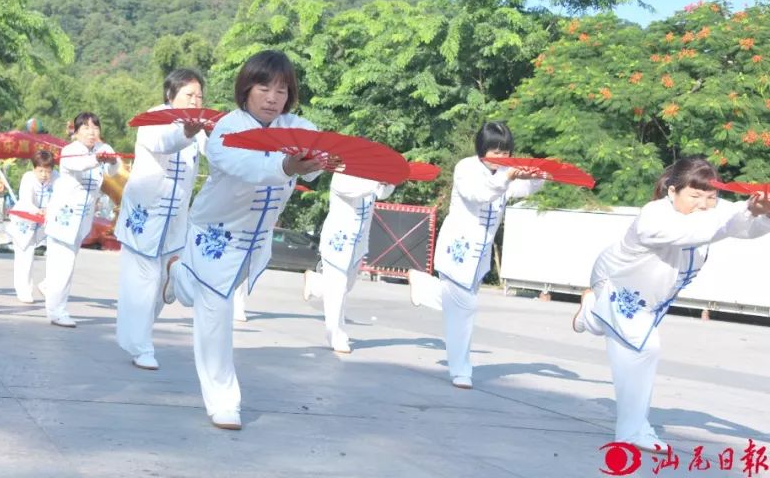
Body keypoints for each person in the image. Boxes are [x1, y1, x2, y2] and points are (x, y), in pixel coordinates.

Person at [162, 50, 325, 430]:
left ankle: (176, 271)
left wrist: (320, 160)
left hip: (254, 242)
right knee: (215, 312)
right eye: (264, 87)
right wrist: (287, 165)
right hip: (215, 234)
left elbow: (317, 161)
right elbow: (245, 167)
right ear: (245, 89)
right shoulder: (227, 131)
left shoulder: (298, 127)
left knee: (197, 293)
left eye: (282, 90)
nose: (272, 98)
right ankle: (223, 400)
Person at [571, 157, 770, 450]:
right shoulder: (653, 215)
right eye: (695, 195)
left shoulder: (713, 211)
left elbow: (743, 228)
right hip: (616, 284)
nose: (704, 203)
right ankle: (631, 431)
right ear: (672, 191)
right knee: (643, 348)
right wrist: (743, 210)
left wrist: (762, 214)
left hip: (649, 299)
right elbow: (695, 231)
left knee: (630, 336)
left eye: (711, 197)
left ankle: (591, 314)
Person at [409, 121, 543, 390]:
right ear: (482, 148)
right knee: (465, 309)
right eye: (495, 151)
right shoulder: (466, 168)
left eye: (505, 152)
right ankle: (461, 369)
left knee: (459, 307)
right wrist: (506, 178)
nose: (501, 158)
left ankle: (424, 288)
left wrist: (538, 177)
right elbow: (479, 195)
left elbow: (520, 190)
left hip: (479, 257)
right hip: (457, 249)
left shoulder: (505, 172)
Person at [115, 69, 207, 370]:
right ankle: (141, 346)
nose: (195, 100)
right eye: (188, 95)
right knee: (142, 281)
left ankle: (141, 337)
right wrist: (188, 133)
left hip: (175, 220)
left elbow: (216, 154)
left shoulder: (201, 126)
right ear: (170, 95)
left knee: (158, 289)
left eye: (199, 96)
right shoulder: (153, 118)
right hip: (145, 215)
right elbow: (164, 143)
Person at [42, 113, 121, 327]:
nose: (91, 132)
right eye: (85, 128)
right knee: (64, 265)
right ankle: (57, 311)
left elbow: (114, 172)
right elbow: (80, 166)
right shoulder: (70, 151)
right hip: (64, 216)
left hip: (82, 219)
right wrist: (98, 158)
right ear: (75, 132)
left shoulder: (102, 150)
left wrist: (111, 159)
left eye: (95, 128)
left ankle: (50, 290)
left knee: (64, 263)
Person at [303, 174, 394, 353]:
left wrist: (391, 181)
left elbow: (381, 193)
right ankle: (335, 334)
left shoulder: (369, 181)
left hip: (358, 243)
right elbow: (352, 191)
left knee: (346, 286)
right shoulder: (342, 175)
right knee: (338, 287)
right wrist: (377, 181)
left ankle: (315, 283)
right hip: (337, 241)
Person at [11, 150, 57, 303]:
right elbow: (25, 200)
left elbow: (59, 198)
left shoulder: (57, 178)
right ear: (34, 168)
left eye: (48, 171)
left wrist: (49, 210)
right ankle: (24, 290)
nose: (44, 174)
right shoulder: (28, 178)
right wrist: (38, 210)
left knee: (57, 252)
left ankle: (48, 285)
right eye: (41, 170)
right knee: (25, 255)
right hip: (24, 220)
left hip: (45, 221)